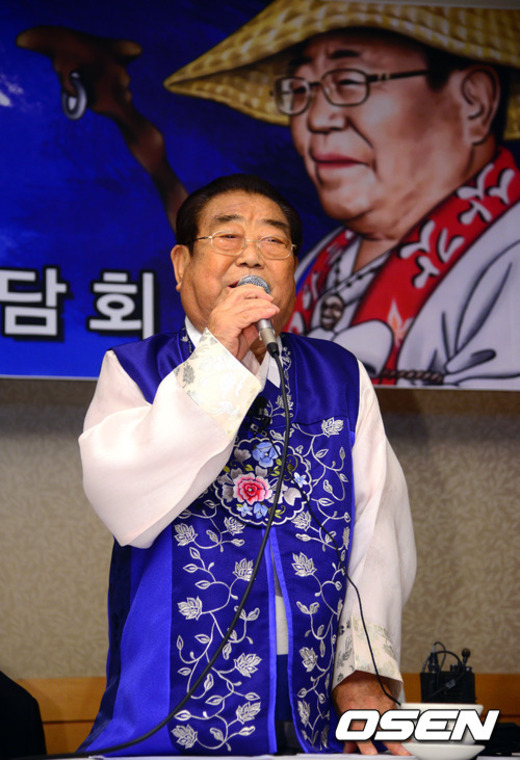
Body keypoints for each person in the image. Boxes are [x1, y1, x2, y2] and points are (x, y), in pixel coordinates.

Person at [78, 173, 415, 756]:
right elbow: (124, 502)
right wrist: (221, 359)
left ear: (292, 269)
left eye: (274, 241)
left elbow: (377, 527)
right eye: (228, 237)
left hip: (316, 704)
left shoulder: (338, 376)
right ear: (181, 264)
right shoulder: (135, 370)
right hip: (172, 710)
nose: (252, 256)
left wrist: (362, 670)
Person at [16, 1, 520, 389]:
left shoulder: (505, 258)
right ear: (180, 264)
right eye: (301, 91)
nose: (317, 119)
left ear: (474, 101)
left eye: (349, 82)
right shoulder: (333, 258)